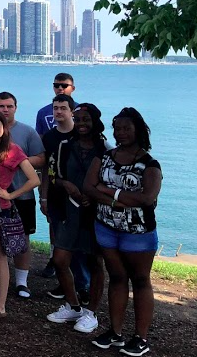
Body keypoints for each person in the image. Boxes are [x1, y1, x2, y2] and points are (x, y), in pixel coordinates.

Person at [84, 108, 162, 356]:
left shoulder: (149, 164)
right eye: (117, 128)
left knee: (140, 280)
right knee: (116, 278)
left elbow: (147, 199)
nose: (121, 133)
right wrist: (122, 200)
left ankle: (140, 338)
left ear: (138, 129)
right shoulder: (105, 157)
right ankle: (115, 333)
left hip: (137, 232)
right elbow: (89, 186)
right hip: (106, 228)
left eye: (127, 128)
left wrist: (110, 192)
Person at [0, 91, 46, 299]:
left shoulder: (13, 149)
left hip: (1, 209)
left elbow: (35, 179)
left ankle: (1, 303)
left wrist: (10, 194)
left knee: (0, 255)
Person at [43, 102, 106, 334]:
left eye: (86, 120)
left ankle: (92, 312)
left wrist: (95, 195)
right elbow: (53, 174)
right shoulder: (65, 146)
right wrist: (65, 185)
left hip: (95, 213)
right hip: (68, 209)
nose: (81, 124)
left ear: (95, 122)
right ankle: (73, 305)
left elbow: (109, 179)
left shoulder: (104, 149)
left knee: (94, 262)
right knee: (60, 259)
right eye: (78, 120)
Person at [41, 93, 89, 291]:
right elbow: (45, 168)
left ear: (71, 111)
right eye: (55, 108)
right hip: (55, 197)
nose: (58, 112)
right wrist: (43, 196)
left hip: (79, 199)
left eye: (63, 108)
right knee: (61, 243)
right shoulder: (49, 137)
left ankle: (84, 284)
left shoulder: (81, 136)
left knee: (79, 244)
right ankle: (66, 284)